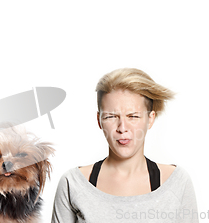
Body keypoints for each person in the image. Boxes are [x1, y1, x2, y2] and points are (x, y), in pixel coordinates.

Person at [51, 68, 198, 223]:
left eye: (133, 116)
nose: (122, 128)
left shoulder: (177, 182)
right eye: (111, 116)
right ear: (99, 119)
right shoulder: (72, 184)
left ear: (150, 118)